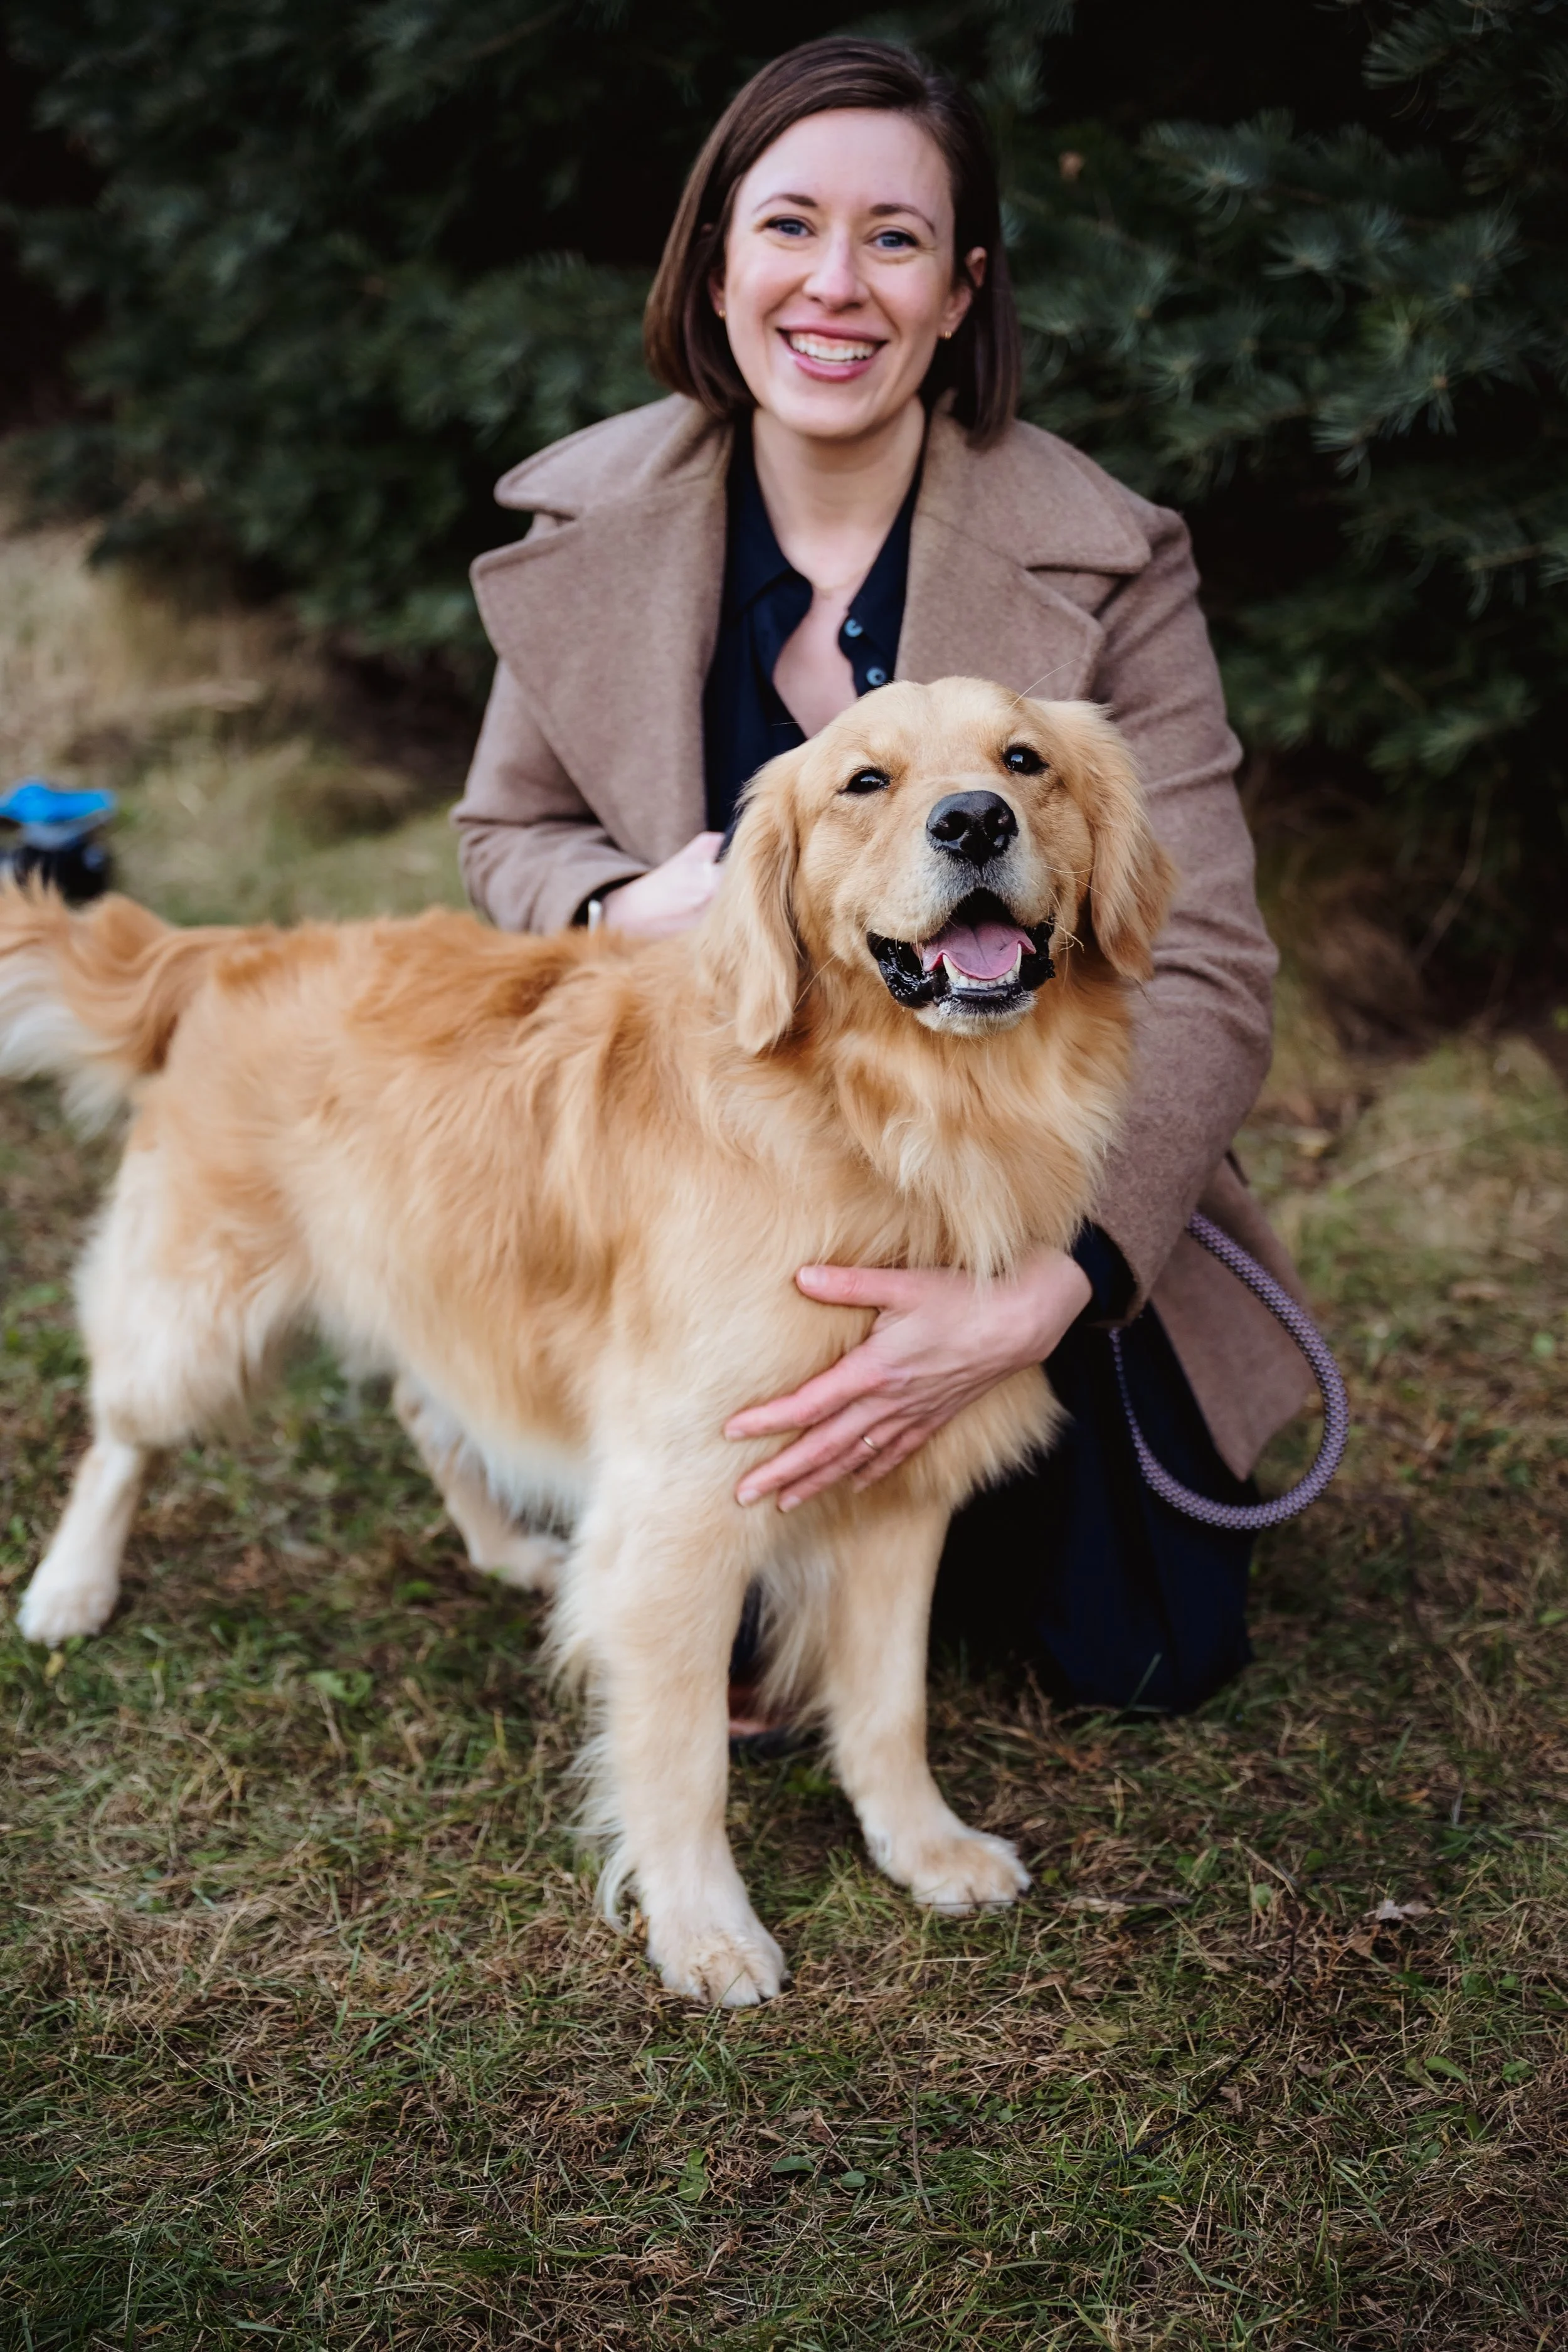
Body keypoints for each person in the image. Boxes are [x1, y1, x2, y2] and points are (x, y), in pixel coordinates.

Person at [452, 36, 1313, 1718]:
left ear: (958, 291)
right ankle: (625, 1461)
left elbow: (1203, 962)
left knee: (1138, 1650)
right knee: (746, 1604)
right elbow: (505, 837)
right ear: (716, 270)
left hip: (1008, 1195)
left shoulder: (1107, 559)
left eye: (895, 240)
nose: (833, 286)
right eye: (786, 228)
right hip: (710, 1174)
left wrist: (1042, 1293)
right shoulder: (591, 529)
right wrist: (614, 904)